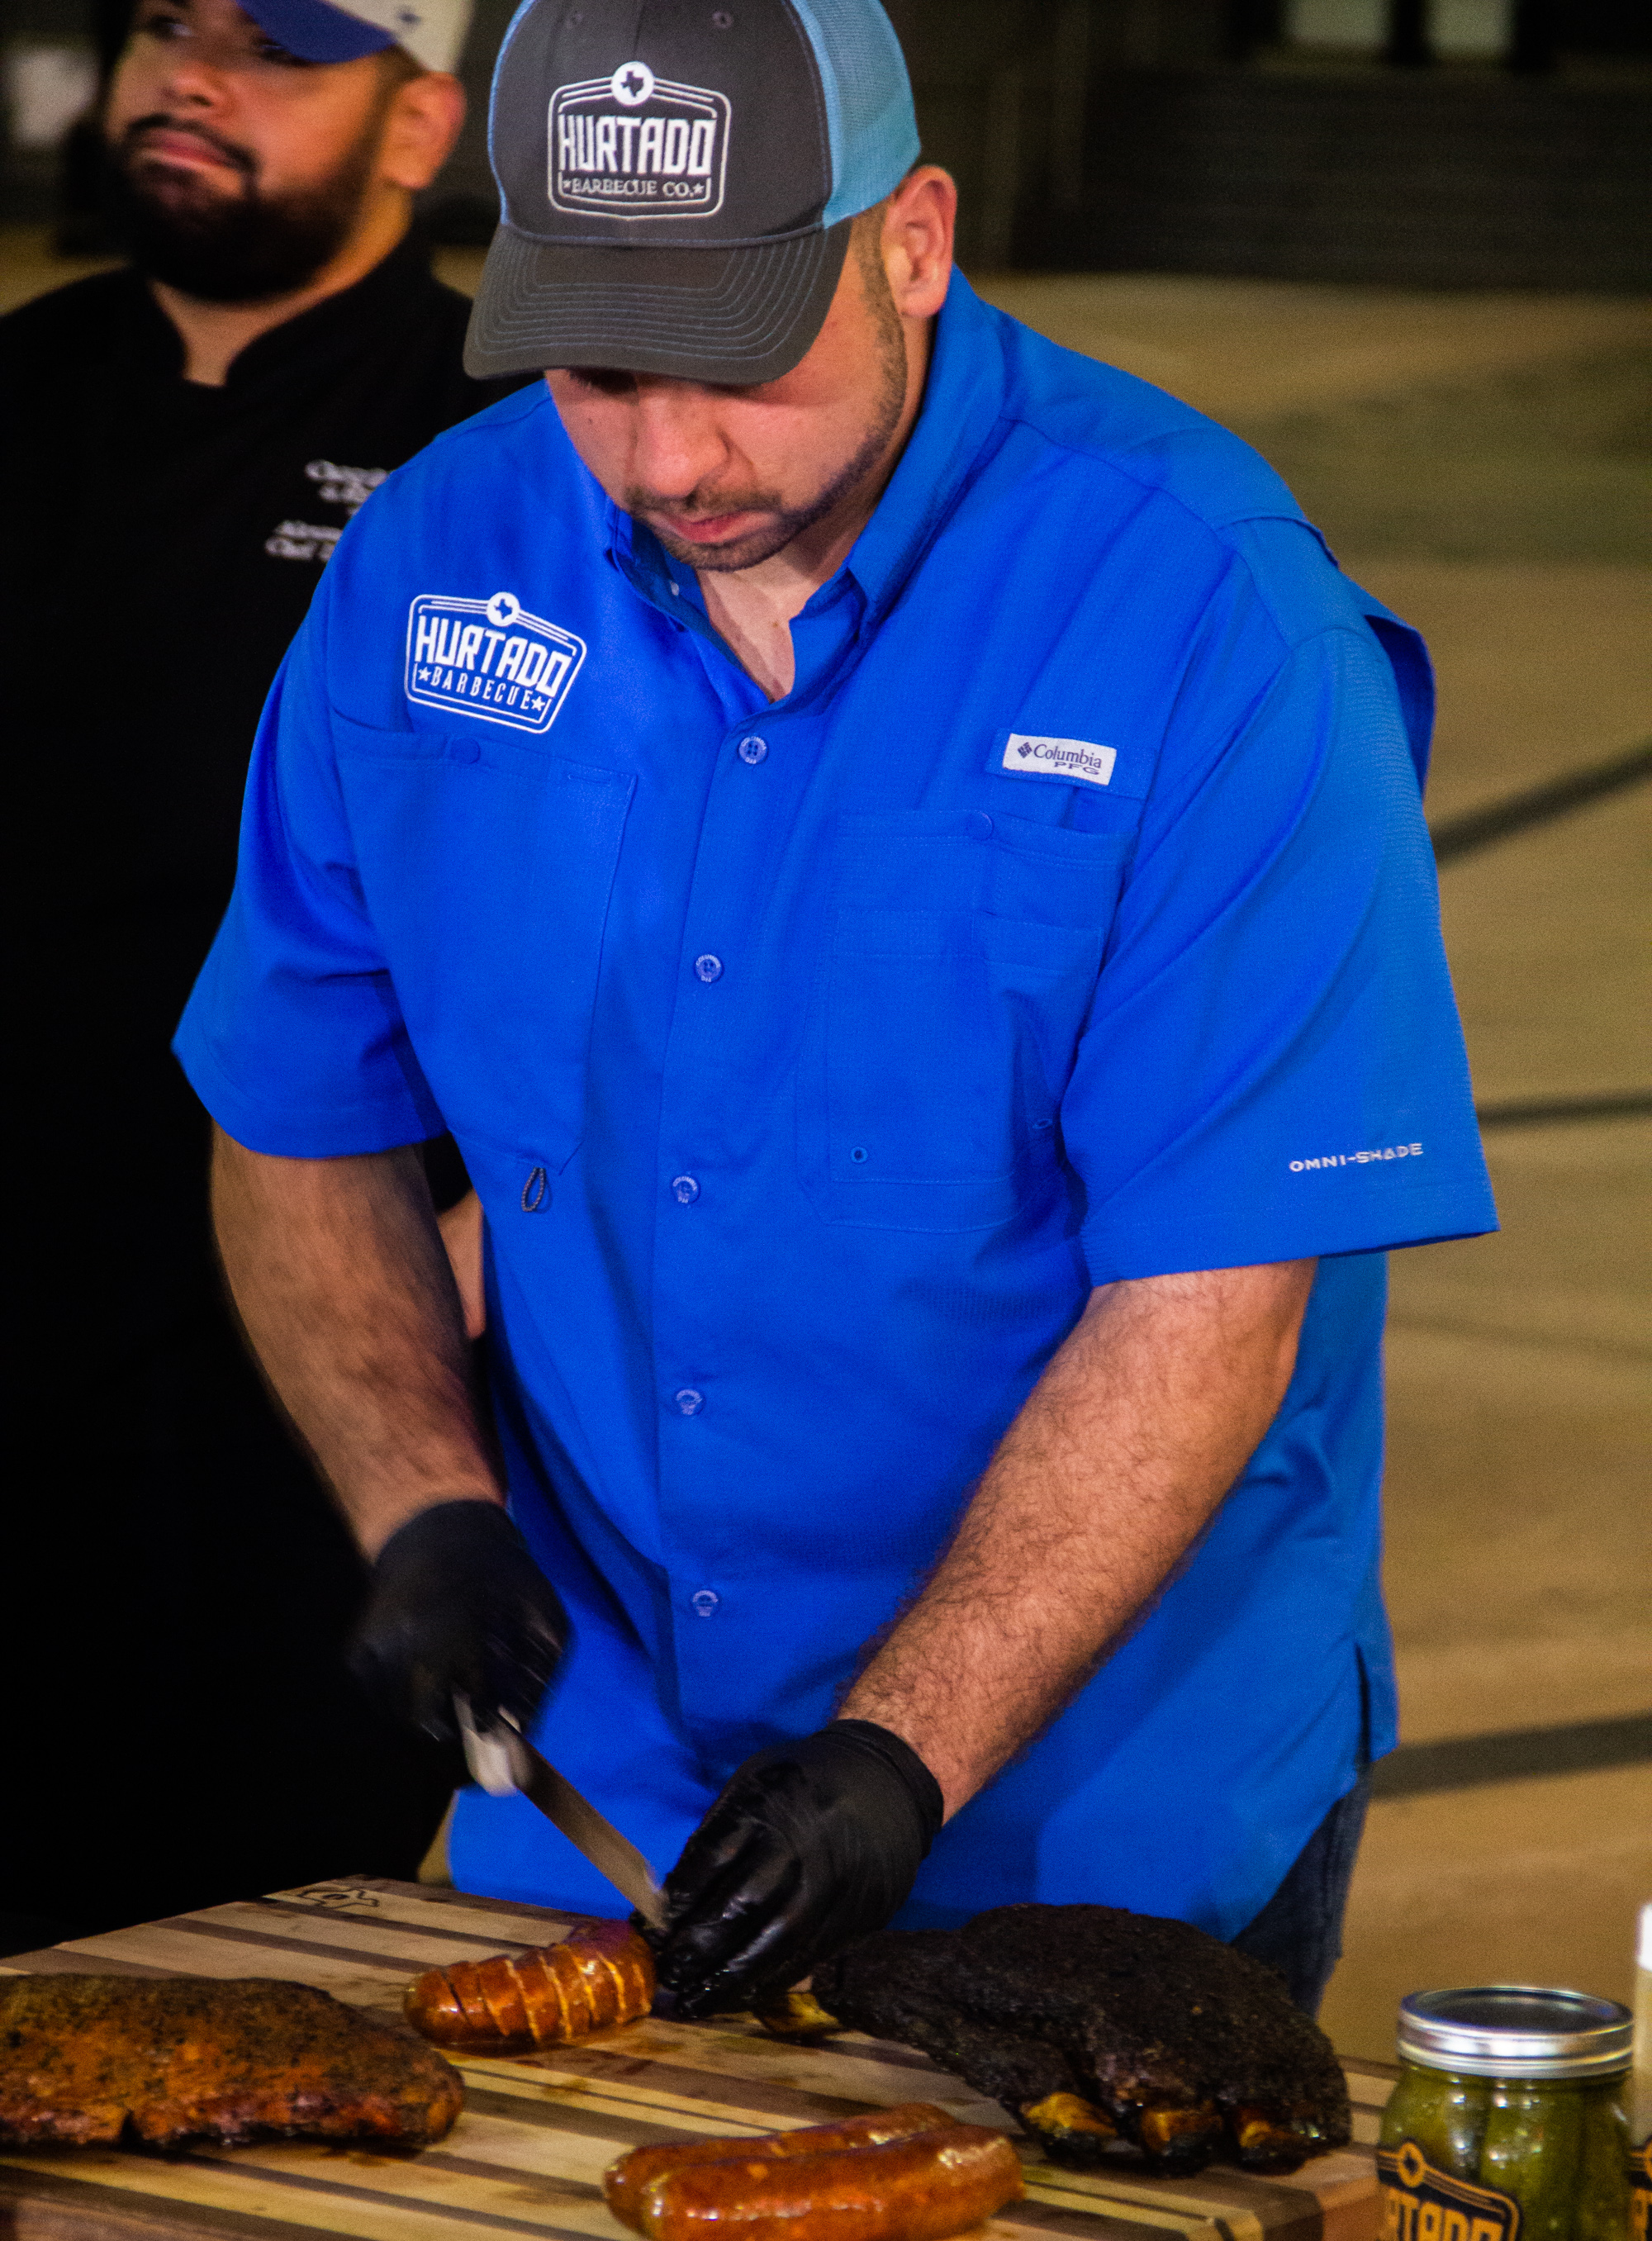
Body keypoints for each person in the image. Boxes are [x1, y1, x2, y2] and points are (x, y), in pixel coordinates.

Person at [175, 0, 1497, 2021]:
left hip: (1090, 1805)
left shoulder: (1206, 627)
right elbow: (294, 1106)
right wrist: (419, 1501)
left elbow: (1214, 1301)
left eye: (739, 363)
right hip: (603, 1785)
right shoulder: (434, 564)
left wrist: (906, 1752)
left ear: (913, 243)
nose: (673, 457)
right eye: (599, 372)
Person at [1, 0, 510, 1940]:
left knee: (245, 1967)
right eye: (165, 29)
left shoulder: (506, 449)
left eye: (277, 49)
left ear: (415, 127)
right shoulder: (27, 387)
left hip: (313, 1383)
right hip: (22, 1324)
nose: (192, 78)